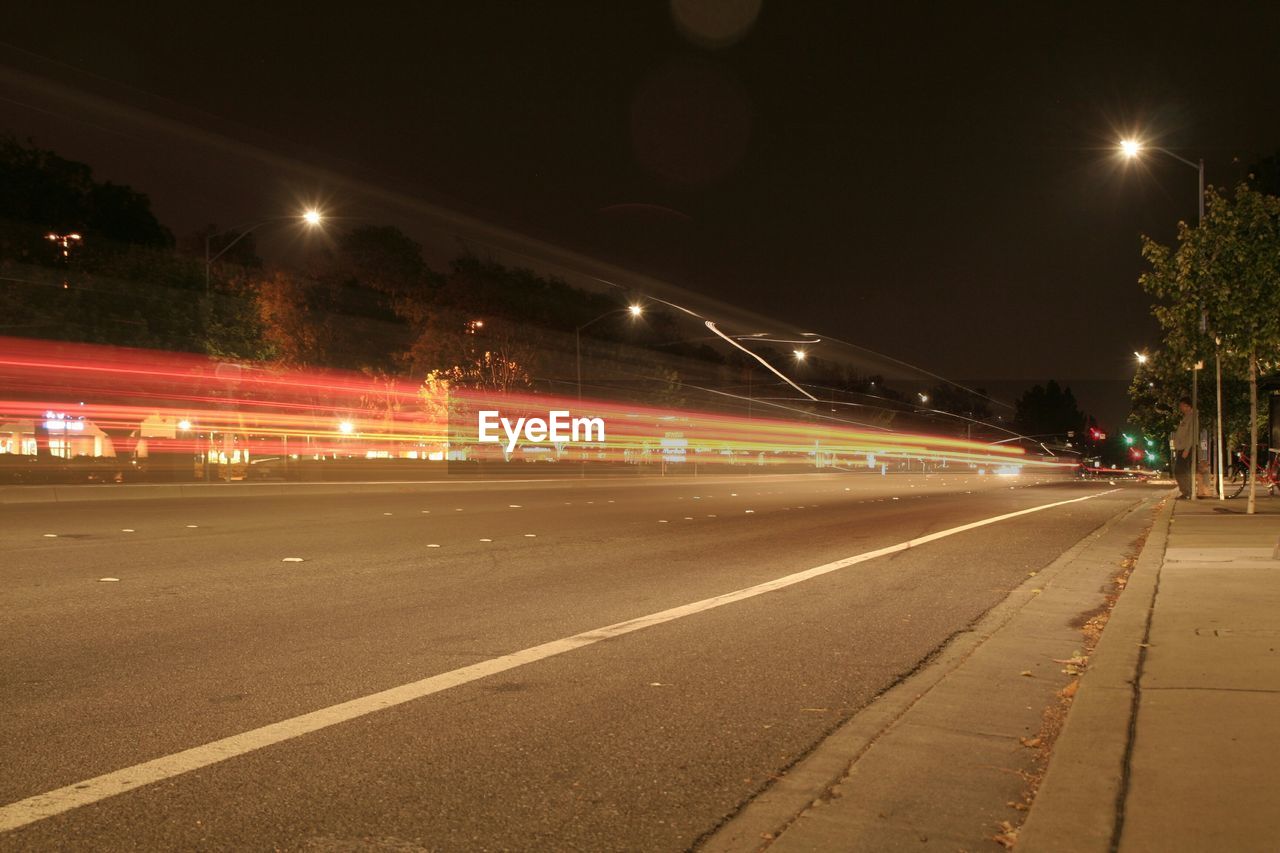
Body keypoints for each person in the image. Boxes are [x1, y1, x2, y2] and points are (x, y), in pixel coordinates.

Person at [1171, 396, 1198, 498]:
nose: (1180, 408)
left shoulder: (1192, 417)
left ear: (1187, 406)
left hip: (1186, 449)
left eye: (1181, 406)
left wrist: (1187, 449)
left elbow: (1192, 434)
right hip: (1182, 448)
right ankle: (1186, 492)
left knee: (1181, 471)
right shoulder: (1186, 417)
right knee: (1181, 471)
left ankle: (1187, 492)